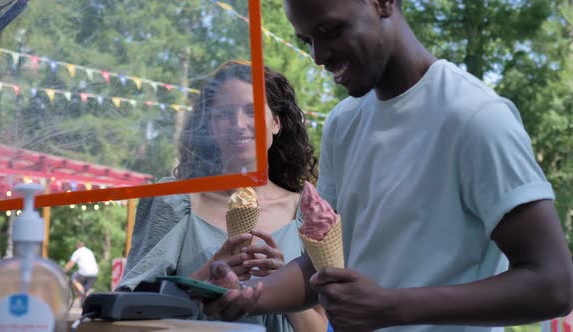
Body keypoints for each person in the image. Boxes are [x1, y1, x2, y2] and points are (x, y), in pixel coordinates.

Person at [203, 1, 573, 331]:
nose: (318, 56)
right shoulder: (342, 123)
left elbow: (554, 283)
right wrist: (250, 295)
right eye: (306, 41)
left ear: (382, 3)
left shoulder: (475, 118)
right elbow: (321, 266)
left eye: (330, 31)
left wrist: (391, 307)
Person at [119, 60, 328, 332]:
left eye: (251, 111)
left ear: (276, 122)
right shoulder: (175, 201)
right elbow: (130, 306)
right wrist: (204, 278)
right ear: (210, 125)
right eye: (224, 114)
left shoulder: (306, 212)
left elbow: (319, 328)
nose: (238, 124)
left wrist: (280, 281)